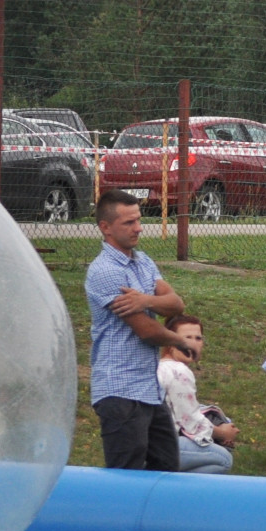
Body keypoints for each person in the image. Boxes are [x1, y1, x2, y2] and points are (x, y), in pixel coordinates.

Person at [85, 190, 191, 471]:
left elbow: (176, 304)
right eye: (128, 223)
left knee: (166, 467)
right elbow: (147, 331)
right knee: (125, 476)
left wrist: (146, 300)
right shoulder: (105, 271)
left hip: (147, 388)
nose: (138, 228)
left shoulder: (142, 261)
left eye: (138, 220)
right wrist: (179, 340)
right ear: (105, 227)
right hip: (118, 390)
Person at [159, 315, 236, 475]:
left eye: (198, 338)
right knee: (223, 458)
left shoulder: (163, 366)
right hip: (160, 443)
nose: (193, 343)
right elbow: (189, 421)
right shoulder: (178, 371)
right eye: (186, 338)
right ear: (170, 342)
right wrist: (223, 433)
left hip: (151, 439)